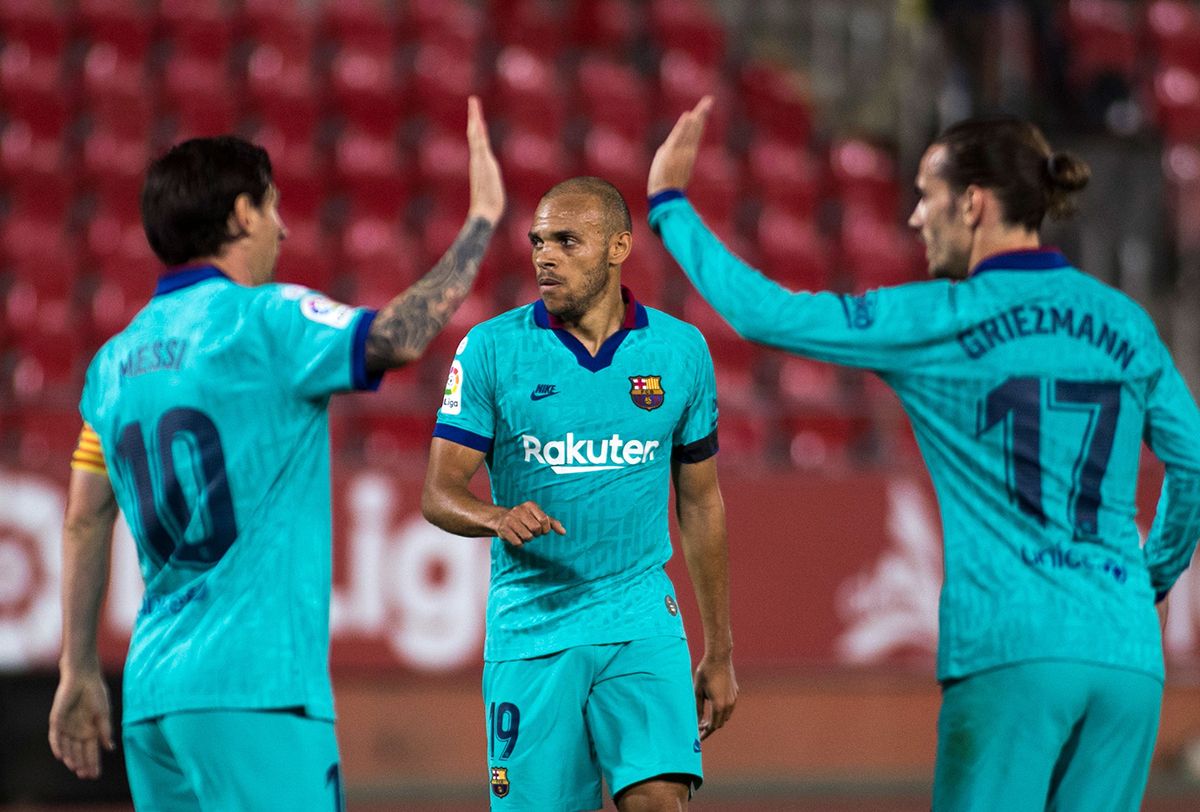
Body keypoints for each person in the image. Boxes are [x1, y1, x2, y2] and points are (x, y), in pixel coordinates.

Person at [647, 98, 1200, 811]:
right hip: (1126, 656)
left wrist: (669, 205)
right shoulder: (1125, 323)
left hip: (1011, 649)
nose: (913, 217)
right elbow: (1191, 461)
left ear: (972, 203)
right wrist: (1147, 579)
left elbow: (764, 313)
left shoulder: (939, 318)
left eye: (925, 196)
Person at [47, 97, 505, 809]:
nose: (284, 228)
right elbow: (397, 338)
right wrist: (479, 227)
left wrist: (77, 670)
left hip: (152, 701)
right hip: (257, 690)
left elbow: (83, 520)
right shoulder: (265, 320)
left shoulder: (111, 364)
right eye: (272, 207)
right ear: (238, 215)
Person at [421, 176, 737, 811]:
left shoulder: (680, 351)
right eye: (539, 241)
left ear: (619, 247)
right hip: (532, 632)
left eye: (568, 241)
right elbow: (439, 490)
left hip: (641, 619)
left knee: (659, 800)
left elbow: (700, 502)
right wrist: (495, 515)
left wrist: (721, 651)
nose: (545, 256)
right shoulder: (489, 350)